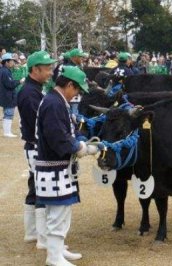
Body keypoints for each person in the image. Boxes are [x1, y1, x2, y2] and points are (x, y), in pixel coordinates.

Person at [35, 66, 98, 266]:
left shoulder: (57, 101)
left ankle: (58, 250)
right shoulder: (54, 104)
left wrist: (79, 138)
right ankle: (53, 257)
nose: (77, 94)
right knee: (57, 213)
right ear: (69, 84)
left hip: (59, 167)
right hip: (53, 167)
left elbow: (65, 132)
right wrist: (80, 147)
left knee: (62, 211)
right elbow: (58, 138)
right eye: (77, 90)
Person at [17, 51, 57, 250]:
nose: (50, 72)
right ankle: (42, 238)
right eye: (47, 68)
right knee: (42, 191)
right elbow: (37, 125)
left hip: (33, 146)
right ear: (35, 69)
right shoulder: (30, 93)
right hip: (36, 147)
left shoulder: (34, 90)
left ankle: (32, 233)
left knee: (34, 187)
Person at [0, 53, 25, 137]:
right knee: (9, 114)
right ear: (6, 62)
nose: (13, 63)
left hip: (5, 95)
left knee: (7, 113)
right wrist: (20, 81)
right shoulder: (5, 72)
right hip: (8, 96)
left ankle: (7, 132)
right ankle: (7, 132)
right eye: (11, 61)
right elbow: (10, 84)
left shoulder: (3, 70)